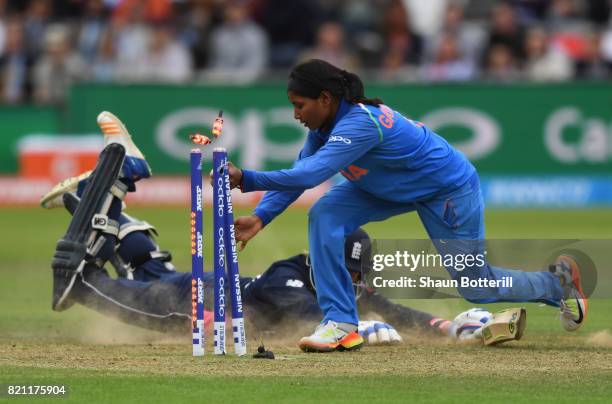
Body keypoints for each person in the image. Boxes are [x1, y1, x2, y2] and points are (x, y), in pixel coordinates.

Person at [41, 111, 499, 349]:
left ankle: (108, 214)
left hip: (204, 286)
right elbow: (305, 312)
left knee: (150, 268)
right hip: (198, 301)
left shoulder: (343, 291)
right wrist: (362, 327)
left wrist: (448, 326)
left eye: (359, 281)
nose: (358, 288)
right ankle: (83, 282)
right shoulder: (292, 279)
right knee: (129, 293)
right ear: (330, 268)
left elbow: (396, 313)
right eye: (352, 278)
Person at [221, 59, 587, 352]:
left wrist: (248, 179)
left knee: (476, 285)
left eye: (299, 105)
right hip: (383, 188)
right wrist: (261, 216)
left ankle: (556, 283)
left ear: (326, 99)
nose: (295, 114)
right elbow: (303, 170)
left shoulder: (359, 124)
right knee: (326, 213)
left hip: (446, 189)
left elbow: (310, 175)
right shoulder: (322, 131)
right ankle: (341, 324)